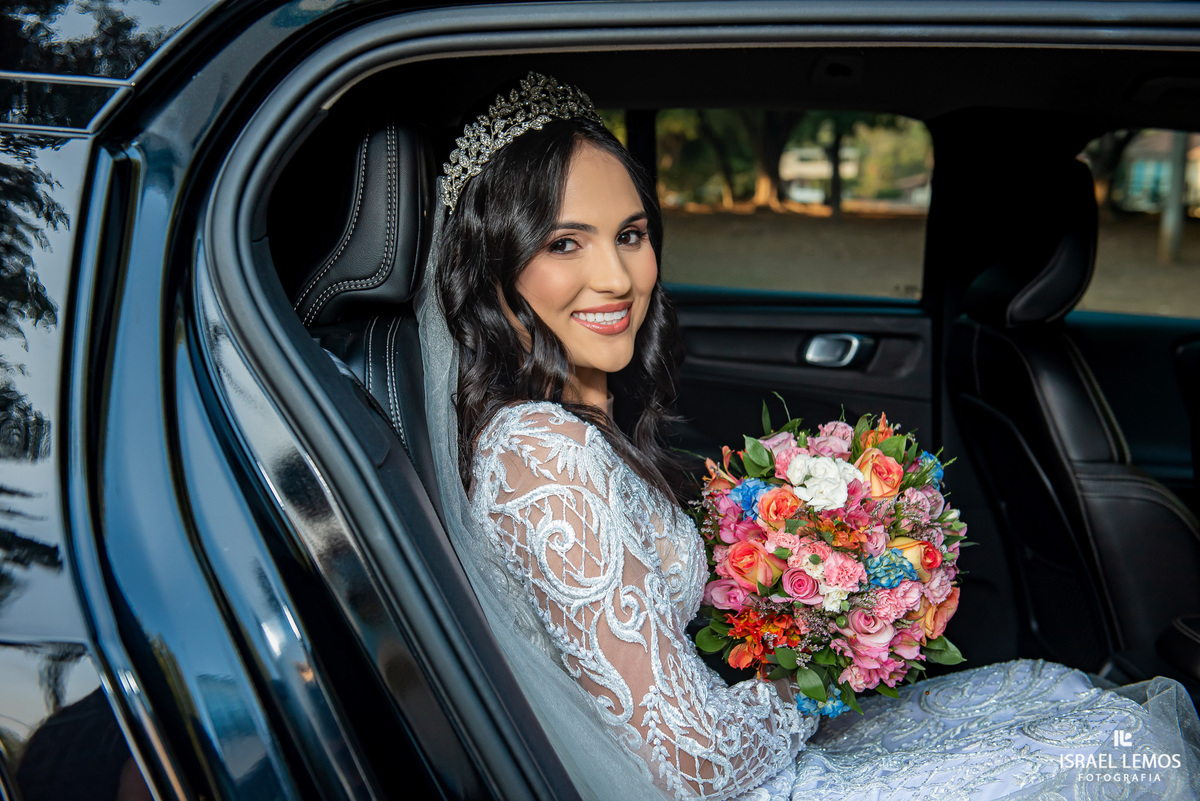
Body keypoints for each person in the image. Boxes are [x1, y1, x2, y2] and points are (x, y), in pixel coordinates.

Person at [414, 72, 1200, 801]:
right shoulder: (543, 455)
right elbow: (690, 759)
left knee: (1064, 696)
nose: (618, 277)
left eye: (631, 233)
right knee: (1121, 743)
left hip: (734, 752)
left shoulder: (561, 427)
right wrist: (823, 669)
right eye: (564, 243)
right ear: (494, 267)